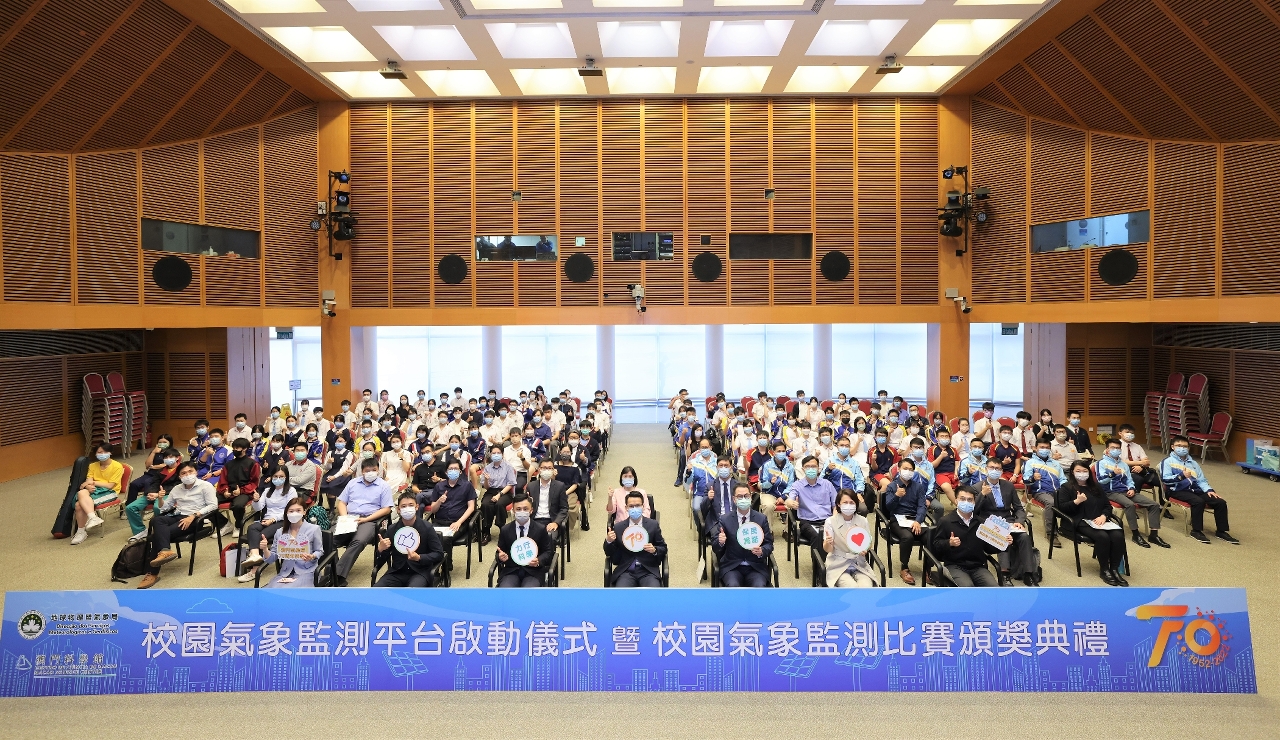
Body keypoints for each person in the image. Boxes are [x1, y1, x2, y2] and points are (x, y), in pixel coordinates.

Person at [137, 462, 218, 589]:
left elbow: (213, 505)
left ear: (196, 472)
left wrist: (194, 515)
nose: (187, 475)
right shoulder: (177, 488)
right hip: (178, 516)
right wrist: (160, 499)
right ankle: (165, 550)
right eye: (183, 473)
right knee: (157, 520)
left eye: (190, 471)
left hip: (195, 519)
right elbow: (164, 509)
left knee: (156, 537)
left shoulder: (206, 486)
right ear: (179, 476)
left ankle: (152, 573)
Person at [1055, 461, 1129, 586]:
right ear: (1072, 472)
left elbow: (1107, 505)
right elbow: (1061, 509)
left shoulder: (1096, 487)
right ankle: (1104, 570)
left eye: (1085, 471)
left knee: (1118, 535)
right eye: (1078, 471)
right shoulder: (1066, 488)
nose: (1082, 473)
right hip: (1079, 521)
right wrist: (1077, 501)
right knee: (1102, 537)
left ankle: (1114, 569)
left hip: (1099, 520)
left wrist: (1104, 516)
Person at [1160, 435, 1237, 545]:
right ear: (1173, 447)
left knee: (1220, 502)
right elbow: (1165, 480)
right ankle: (1196, 531)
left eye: (1185, 446)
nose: (1182, 448)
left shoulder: (1193, 464)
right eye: (1179, 446)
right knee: (1198, 502)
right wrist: (1181, 476)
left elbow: (1201, 480)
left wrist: (1209, 490)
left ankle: (1221, 531)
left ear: (1188, 448)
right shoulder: (1167, 461)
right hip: (1176, 490)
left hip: (1195, 490)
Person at [1094, 437, 1167, 549]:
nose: (1116, 450)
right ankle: (1136, 534)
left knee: (1154, 505)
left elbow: (1129, 480)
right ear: (1107, 450)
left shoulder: (1123, 464)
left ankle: (1154, 535)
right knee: (1130, 505)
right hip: (1110, 492)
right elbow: (1100, 480)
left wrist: (1132, 488)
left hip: (1126, 491)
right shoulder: (1101, 463)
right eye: (1113, 448)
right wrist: (1112, 474)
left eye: (1118, 448)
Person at [333, 458, 394, 586]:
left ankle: (338, 575)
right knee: (328, 538)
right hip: (350, 518)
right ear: (362, 471)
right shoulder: (352, 483)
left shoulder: (383, 486)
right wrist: (345, 518)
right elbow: (342, 503)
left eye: (374, 470)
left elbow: (387, 509)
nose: (371, 473)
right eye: (367, 470)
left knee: (359, 541)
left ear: (378, 470)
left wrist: (366, 519)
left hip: (369, 520)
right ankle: (332, 569)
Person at [973, 463, 1036, 586]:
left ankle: (1028, 573)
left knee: (1024, 537)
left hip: (1008, 521)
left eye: (997, 468)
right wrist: (982, 494)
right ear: (986, 469)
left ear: (1001, 471)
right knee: (1004, 537)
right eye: (991, 468)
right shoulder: (977, 487)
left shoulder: (1008, 485)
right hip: (988, 523)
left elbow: (1019, 508)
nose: (994, 470)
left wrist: (1019, 521)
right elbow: (973, 512)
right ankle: (1005, 573)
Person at [930, 487, 1001, 587]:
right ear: (956, 500)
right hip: (954, 566)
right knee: (968, 588)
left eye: (970, 500)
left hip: (978, 566)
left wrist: (1003, 543)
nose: (966, 502)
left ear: (974, 502)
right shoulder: (945, 521)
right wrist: (949, 543)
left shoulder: (981, 523)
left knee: (994, 588)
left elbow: (989, 548)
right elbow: (936, 545)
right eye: (962, 499)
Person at [374, 493, 445, 587]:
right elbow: (379, 561)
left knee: (411, 592)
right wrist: (380, 550)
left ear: (417, 507)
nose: (407, 508)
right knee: (376, 591)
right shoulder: (392, 529)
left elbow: (439, 554)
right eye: (403, 506)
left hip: (419, 572)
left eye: (411, 505)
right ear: (398, 510)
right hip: (397, 572)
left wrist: (419, 557)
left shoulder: (427, 527)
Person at [236, 472, 298, 581]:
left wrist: (273, 520)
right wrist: (256, 500)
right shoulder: (267, 491)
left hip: (283, 521)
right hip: (267, 519)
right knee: (252, 528)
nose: (278, 479)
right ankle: (255, 555)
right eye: (275, 476)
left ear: (286, 477)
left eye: (281, 477)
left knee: (261, 536)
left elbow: (290, 510)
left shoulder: (291, 491)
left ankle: (254, 570)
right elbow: (258, 508)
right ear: (271, 477)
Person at [712, 482, 774, 587]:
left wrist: (762, 551)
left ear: (751, 497)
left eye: (746, 496)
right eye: (740, 496)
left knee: (759, 587)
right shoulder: (725, 519)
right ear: (734, 499)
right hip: (732, 567)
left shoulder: (761, 518)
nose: (743, 499)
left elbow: (769, 544)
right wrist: (720, 542)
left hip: (755, 567)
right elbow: (715, 547)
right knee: (733, 587)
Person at [880, 457, 930, 585]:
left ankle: (928, 569)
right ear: (899, 469)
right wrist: (897, 496)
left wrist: (918, 521)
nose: (908, 471)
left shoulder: (918, 487)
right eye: (905, 468)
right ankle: (904, 567)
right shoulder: (892, 486)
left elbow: (922, 506)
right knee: (907, 537)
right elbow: (888, 507)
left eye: (911, 469)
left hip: (914, 519)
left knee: (930, 535)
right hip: (897, 519)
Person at [604, 491, 667, 587]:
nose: (634, 509)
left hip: (648, 571)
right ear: (626, 508)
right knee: (621, 593)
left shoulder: (653, 525)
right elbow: (609, 553)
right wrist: (609, 541)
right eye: (631, 506)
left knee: (653, 593)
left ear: (643, 506)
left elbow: (663, 548)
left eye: (637, 505)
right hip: (626, 571)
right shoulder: (618, 527)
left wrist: (654, 550)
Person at [258, 498, 325, 588]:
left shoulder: (314, 529)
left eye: (298, 510)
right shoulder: (280, 532)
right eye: (291, 511)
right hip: (285, 573)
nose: (294, 514)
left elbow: (319, 551)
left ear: (304, 512)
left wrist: (312, 556)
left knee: (289, 590)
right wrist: (265, 549)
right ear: (286, 513)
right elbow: (272, 558)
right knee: (272, 590)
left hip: (307, 572)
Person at [495, 493, 555, 587]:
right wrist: (500, 557)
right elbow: (499, 552)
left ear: (531, 510)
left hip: (533, 572)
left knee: (528, 593)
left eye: (525, 509)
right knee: (506, 590)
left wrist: (538, 560)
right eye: (518, 509)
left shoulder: (540, 529)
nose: (522, 512)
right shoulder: (505, 530)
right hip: (511, 571)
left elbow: (548, 552)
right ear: (513, 510)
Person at [126, 447, 183, 542]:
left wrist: (158, 495)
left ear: (177, 458)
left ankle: (159, 530)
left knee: (158, 508)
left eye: (170, 457)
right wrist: (151, 493)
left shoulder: (182, 470)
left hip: (169, 494)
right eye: (166, 457)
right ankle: (140, 531)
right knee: (130, 507)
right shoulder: (161, 470)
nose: (168, 459)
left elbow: (177, 486)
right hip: (156, 493)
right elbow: (154, 483)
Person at [70, 442, 123, 544]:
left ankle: (81, 531)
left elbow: (110, 485)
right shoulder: (92, 466)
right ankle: (92, 518)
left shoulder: (117, 466)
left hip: (110, 492)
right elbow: (88, 480)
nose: (102, 454)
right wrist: (88, 486)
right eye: (99, 452)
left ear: (110, 452)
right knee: (82, 493)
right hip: (96, 489)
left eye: (105, 452)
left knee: (78, 504)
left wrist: (92, 483)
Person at [822, 489, 876, 587]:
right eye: (845, 502)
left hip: (859, 563)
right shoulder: (830, 521)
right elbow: (828, 549)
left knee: (866, 588)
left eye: (851, 503)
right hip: (838, 564)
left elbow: (869, 543)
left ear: (856, 504)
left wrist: (865, 549)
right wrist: (827, 542)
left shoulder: (863, 520)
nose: (848, 505)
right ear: (838, 504)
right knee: (851, 587)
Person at [785, 455, 838, 553]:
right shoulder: (797, 485)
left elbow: (836, 505)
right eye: (807, 466)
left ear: (818, 468)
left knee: (836, 534)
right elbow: (789, 500)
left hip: (827, 520)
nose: (811, 469)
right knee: (818, 536)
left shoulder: (827, 484)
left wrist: (834, 520)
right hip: (808, 523)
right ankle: (819, 563)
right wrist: (791, 503)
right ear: (803, 469)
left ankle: (835, 561)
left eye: (813, 466)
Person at [1023, 438, 1066, 546]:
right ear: (1035, 448)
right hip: (1040, 492)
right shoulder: (1030, 462)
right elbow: (1026, 480)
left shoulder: (1055, 463)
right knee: (1051, 503)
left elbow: (1062, 479)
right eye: (1042, 447)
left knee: (1075, 498)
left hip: (1057, 491)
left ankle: (1067, 528)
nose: (1045, 450)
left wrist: (1066, 489)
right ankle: (1051, 534)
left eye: (1047, 448)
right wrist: (1033, 478)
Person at [524, 458, 568, 563]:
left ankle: (547, 564)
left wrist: (556, 523)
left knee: (549, 538)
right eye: (544, 468)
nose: (546, 470)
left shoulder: (560, 486)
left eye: (549, 468)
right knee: (525, 536)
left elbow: (564, 508)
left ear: (553, 470)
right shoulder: (531, 486)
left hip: (551, 521)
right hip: (534, 520)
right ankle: (529, 561)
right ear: (539, 470)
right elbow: (525, 506)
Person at [213, 438, 259, 537]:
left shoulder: (253, 463)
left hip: (245, 492)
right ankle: (225, 524)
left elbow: (254, 483)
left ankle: (238, 526)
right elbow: (223, 481)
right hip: (228, 490)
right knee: (208, 502)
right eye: (233, 447)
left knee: (238, 505)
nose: (234, 450)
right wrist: (224, 491)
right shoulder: (228, 464)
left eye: (237, 448)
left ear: (245, 449)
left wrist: (241, 491)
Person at [424, 459, 477, 534]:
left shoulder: (467, 485)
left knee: (444, 538)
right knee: (428, 536)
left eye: (456, 469)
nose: (453, 471)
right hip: (439, 522)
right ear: (446, 472)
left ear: (460, 472)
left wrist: (459, 522)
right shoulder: (439, 486)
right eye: (451, 469)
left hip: (458, 523)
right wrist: (439, 501)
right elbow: (433, 510)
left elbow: (471, 507)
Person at [479, 445, 517, 544]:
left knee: (499, 504)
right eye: (493, 453)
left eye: (498, 453)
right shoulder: (487, 468)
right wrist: (486, 480)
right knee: (485, 504)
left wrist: (499, 495)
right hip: (491, 491)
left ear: (502, 454)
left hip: (505, 492)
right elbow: (486, 487)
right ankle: (486, 532)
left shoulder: (508, 467)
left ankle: (502, 530)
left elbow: (510, 484)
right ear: (490, 455)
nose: (496, 455)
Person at [125, 434, 175, 507]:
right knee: (134, 484)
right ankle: (129, 505)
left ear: (170, 443)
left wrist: (154, 467)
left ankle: (148, 505)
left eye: (165, 442)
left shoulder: (172, 453)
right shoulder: (154, 451)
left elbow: (166, 465)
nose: (162, 444)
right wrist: (153, 452)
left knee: (148, 483)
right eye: (160, 442)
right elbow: (147, 465)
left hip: (161, 475)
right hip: (150, 473)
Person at [757, 441, 795, 513]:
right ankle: (767, 521)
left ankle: (789, 520)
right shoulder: (767, 465)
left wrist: (783, 497)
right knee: (768, 506)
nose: (781, 453)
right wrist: (770, 482)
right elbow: (762, 485)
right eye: (779, 451)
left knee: (794, 504)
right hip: (769, 493)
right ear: (774, 452)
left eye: (783, 451)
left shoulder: (790, 466)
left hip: (786, 493)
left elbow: (791, 485)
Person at [284, 441, 321, 506]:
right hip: (288, 490)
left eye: (302, 450)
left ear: (307, 452)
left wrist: (285, 479)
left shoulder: (310, 466)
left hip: (304, 492)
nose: (299, 452)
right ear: (294, 452)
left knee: (289, 504)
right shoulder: (288, 464)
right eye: (297, 450)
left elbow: (299, 481)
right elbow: (281, 477)